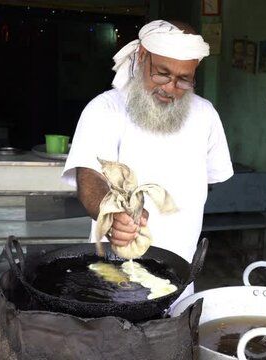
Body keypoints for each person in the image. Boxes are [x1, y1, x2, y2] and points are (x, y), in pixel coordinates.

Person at [62, 19, 233, 301]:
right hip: (114, 275)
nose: (170, 87)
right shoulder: (104, 110)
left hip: (180, 275)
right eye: (162, 74)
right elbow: (89, 177)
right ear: (142, 56)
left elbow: (206, 180)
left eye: (183, 79)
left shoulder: (206, 116)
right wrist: (113, 214)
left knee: (175, 337)